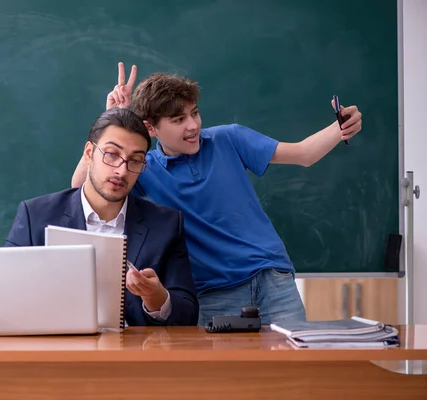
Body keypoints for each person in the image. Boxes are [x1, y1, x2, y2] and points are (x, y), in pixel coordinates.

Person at [71, 63, 363, 325]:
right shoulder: (145, 168)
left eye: (194, 113)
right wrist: (112, 118)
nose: (192, 125)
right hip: (212, 293)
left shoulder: (229, 138)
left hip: (273, 279)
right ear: (151, 129)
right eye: (178, 119)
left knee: (293, 373)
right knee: (221, 382)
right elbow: (80, 186)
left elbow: (304, 153)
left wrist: (341, 128)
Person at [5, 108, 199, 326]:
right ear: (89, 153)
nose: (121, 171)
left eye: (135, 160)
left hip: (134, 354)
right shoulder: (36, 216)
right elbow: (5, 294)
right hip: (56, 349)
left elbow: (188, 314)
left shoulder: (165, 224)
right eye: (112, 155)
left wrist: (157, 298)